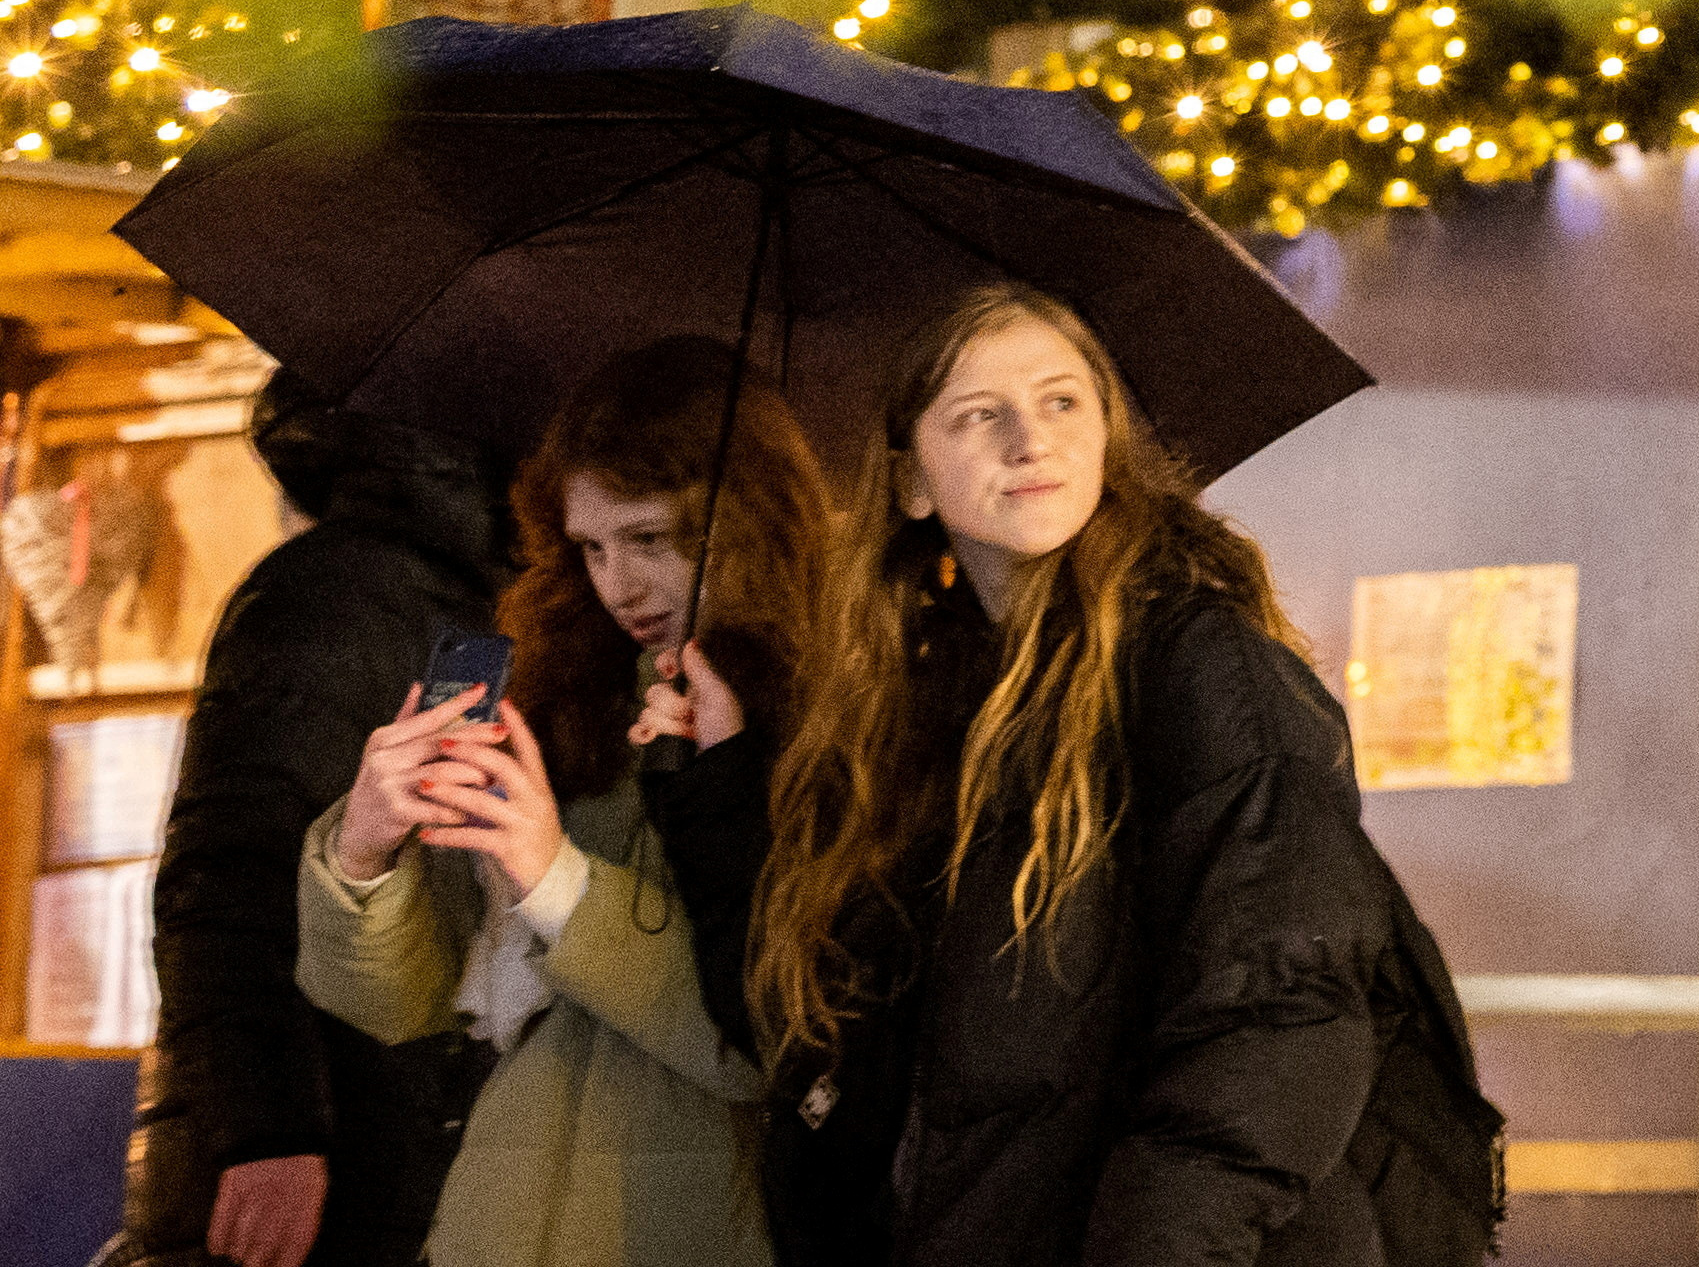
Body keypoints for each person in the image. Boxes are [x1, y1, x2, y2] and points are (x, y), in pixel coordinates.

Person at [741, 282, 1500, 1267]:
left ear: (1107, 435)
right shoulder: (923, 720)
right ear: (911, 483)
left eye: (1062, 401)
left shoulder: (1204, 668)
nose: (1031, 439)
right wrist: (713, 778)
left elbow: (1275, 1013)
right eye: (979, 414)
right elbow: (830, 1036)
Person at [295, 340, 838, 1267]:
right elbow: (403, 1004)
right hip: (499, 1219)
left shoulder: (842, 708)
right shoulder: (571, 691)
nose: (619, 584)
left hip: (700, 1222)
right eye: (591, 545)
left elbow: (768, 1040)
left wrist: (557, 881)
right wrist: (364, 855)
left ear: (749, 515)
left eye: (650, 538)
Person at [102, 388, 504, 1267]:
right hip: (319, 1161)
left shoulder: (478, 594)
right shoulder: (338, 591)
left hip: (404, 1144)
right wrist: (268, 1128)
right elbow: (230, 867)